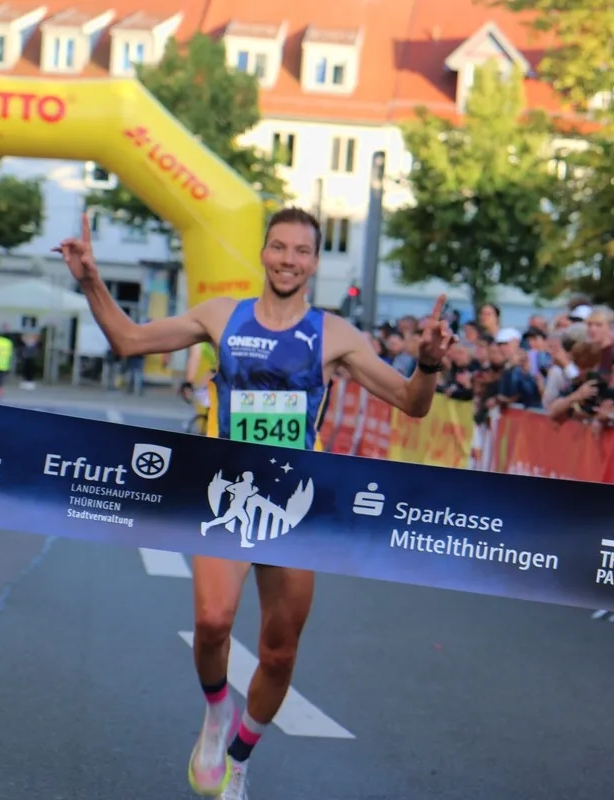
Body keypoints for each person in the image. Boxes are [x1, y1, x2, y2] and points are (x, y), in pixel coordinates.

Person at [55, 207, 453, 800]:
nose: (289, 259)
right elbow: (129, 340)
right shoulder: (223, 317)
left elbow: (411, 403)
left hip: (296, 505)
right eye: (279, 247)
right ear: (263, 253)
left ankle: (240, 756)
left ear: (315, 262)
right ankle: (216, 714)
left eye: (302, 251)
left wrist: (426, 365)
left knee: (279, 650)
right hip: (225, 493)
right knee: (213, 622)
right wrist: (90, 280)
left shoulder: (335, 334)